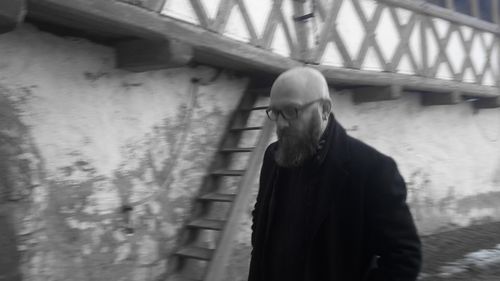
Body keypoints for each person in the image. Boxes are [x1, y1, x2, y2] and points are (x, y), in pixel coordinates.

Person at [248, 67, 421, 281]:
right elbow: (261, 214)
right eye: (274, 112)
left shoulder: (373, 169)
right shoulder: (273, 156)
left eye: (291, 111)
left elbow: (403, 259)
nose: (281, 123)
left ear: (324, 109)